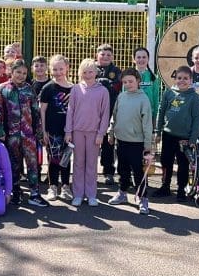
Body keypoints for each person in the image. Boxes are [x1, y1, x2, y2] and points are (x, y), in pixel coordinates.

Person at [0, 59, 49, 207]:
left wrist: (38, 132)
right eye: (18, 72)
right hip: (11, 135)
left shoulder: (29, 89)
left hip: (28, 135)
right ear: (11, 72)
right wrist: (0, 131)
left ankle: (35, 194)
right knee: (13, 165)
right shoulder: (2, 88)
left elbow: (36, 112)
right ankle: (15, 192)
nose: (21, 75)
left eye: (24, 73)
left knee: (32, 164)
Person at [65, 59, 111, 207]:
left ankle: (91, 194)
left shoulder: (103, 91)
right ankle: (78, 194)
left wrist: (101, 133)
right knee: (78, 163)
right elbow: (70, 111)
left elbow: (105, 114)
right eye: (84, 72)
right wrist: (68, 131)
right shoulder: (76, 89)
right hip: (77, 131)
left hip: (94, 133)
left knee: (91, 164)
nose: (87, 75)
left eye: (90, 71)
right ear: (80, 73)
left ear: (96, 73)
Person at [107, 68, 153, 214]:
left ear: (138, 81)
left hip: (137, 143)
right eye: (125, 82)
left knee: (138, 171)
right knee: (122, 169)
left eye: (131, 81)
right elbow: (114, 116)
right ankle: (122, 192)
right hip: (121, 140)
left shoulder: (143, 99)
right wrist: (111, 132)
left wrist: (147, 144)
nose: (128, 84)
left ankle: (142, 198)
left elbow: (147, 124)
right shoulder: (121, 97)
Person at [153, 65, 199, 201]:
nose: (182, 81)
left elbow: (197, 119)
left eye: (186, 78)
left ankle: (181, 189)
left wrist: (192, 139)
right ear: (175, 79)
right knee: (166, 162)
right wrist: (158, 131)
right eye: (179, 78)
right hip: (168, 135)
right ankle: (165, 186)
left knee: (183, 165)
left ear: (191, 80)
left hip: (184, 138)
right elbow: (161, 112)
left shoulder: (194, 97)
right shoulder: (169, 93)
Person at [40, 55, 74, 201]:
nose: (58, 72)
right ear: (50, 69)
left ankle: (65, 186)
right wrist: (44, 131)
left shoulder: (74, 88)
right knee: (54, 159)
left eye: (61, 68)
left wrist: (71, 130)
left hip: (68, 130)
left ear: (67, 68)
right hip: (52, 130)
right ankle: (52, 186)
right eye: (55, 69)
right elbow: (42, 110)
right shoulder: (48, 88)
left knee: (66, 158)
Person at [96, 44, 122, 185]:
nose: (105, 57)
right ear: (97, 55)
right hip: (93, 113)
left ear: (112, 57)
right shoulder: (91, 68)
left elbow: (117, 87)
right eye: (102, 54)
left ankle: (108, 172)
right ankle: (89, 172)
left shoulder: (116, 71)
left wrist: (105, 83)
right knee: (92, 144)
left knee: (108, 143)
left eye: (108, 55)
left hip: (110, 112)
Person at [133, 47, 159, 122]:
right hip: (133, 115)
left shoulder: (153, 77)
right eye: (138, 57)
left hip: (148, 115)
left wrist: (154, 117)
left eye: (144, 57)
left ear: (148, 59)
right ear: (134, 59)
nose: (141, 59)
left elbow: (155, 98)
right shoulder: (129, 76)